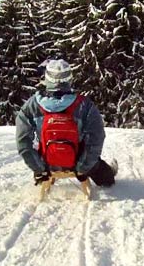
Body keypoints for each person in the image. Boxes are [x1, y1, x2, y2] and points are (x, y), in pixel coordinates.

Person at [16, 59, 118, 187]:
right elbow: (96, 138)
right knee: (102, 172)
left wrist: (39, 169)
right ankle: (107, 176)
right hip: (76, 161)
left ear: (47, 79)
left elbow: (23, 142)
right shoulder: (84, 105)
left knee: (40, 148)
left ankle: (44, 177)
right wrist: (83, 167)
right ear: (70, 79)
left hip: (47, 162)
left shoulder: (32, 105)